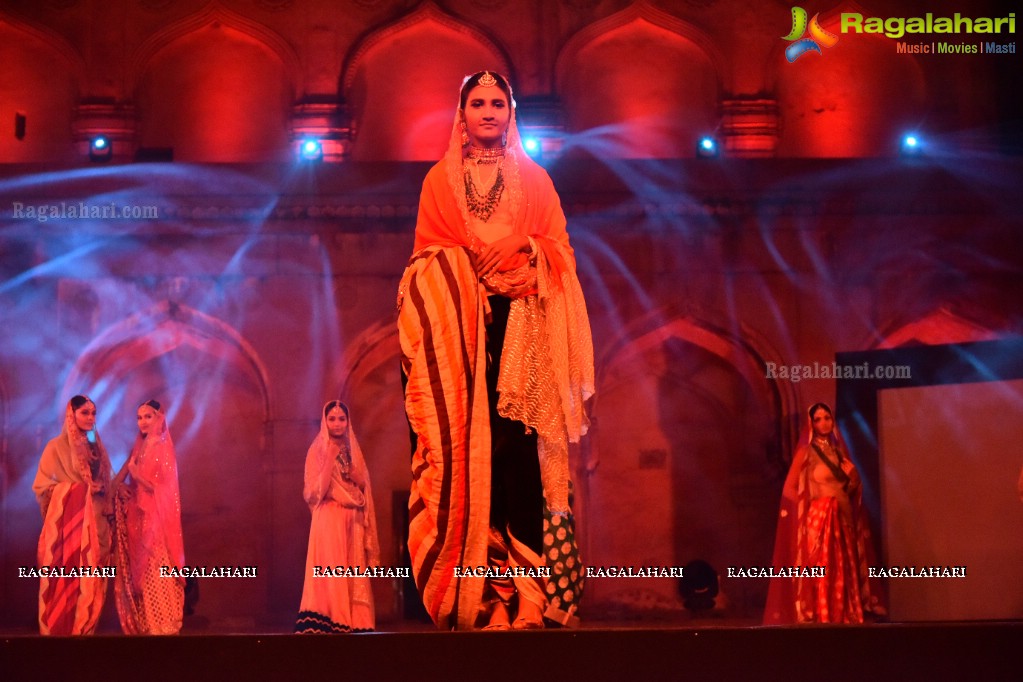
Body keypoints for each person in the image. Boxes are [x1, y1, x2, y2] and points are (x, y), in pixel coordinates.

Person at [397, 70, 595, 630]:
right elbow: (424, 258)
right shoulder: (440, 180)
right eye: (477, 102)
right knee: (470, 455)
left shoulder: (535, 179)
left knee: (519, 453)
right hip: (461, 324)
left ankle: (530, 598)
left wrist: (522, 243)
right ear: (461, 114)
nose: (488, 111)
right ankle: (483, 599)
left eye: (498, 103)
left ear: (512, 114)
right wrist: (462, 272)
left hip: (522, 318)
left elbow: (563, 253)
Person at [764, 402, 885, 624]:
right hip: (820, 524)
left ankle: (844, 616)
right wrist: (810, 513)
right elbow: (789, 490)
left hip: (843, 519)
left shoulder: (840, 453)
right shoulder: (806, 453)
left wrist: (855, 479)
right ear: (811, 424)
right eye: (817, 419)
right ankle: (822, 618)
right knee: (824, 574)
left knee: (844, 572)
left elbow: (849, 490)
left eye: (827, 418)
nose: (823, 423)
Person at [295, 400, 380, 633]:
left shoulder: (354, 448)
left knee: (352, 568)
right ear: (325, 421)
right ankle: (330, 617)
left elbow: (365, 486)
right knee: (331, 568)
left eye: (341, 418)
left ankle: (356, 620)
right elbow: (312, 493)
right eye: (332, 418)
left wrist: (358, 479)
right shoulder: (317, 450)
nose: (337, 423)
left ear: (348, 421)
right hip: (328, 517)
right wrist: (330, 458)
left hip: (352, 516)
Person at [32, 395, 113, 635]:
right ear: (72, 415)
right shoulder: (55, 447)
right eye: (84, 413)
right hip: (69, 529)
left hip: (96, 524)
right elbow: (42, 487)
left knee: (93, 583)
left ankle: (86, 632)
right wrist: (81, 491)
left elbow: (106, 484)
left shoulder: (97, 448)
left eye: (93, 413)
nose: (90, 418)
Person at [111, 399, 185, 634]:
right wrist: (123, 487)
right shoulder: (141, 446)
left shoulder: (163, 446)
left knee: (158, 566)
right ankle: (148, 622)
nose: (142, 422)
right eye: (139, 417)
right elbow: (124, 482)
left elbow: (163, 487)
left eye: (148, 417)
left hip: (157, 518)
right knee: (144, 572)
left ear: (159, 418)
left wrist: (136, 475)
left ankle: (165, 622)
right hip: (141, 516)